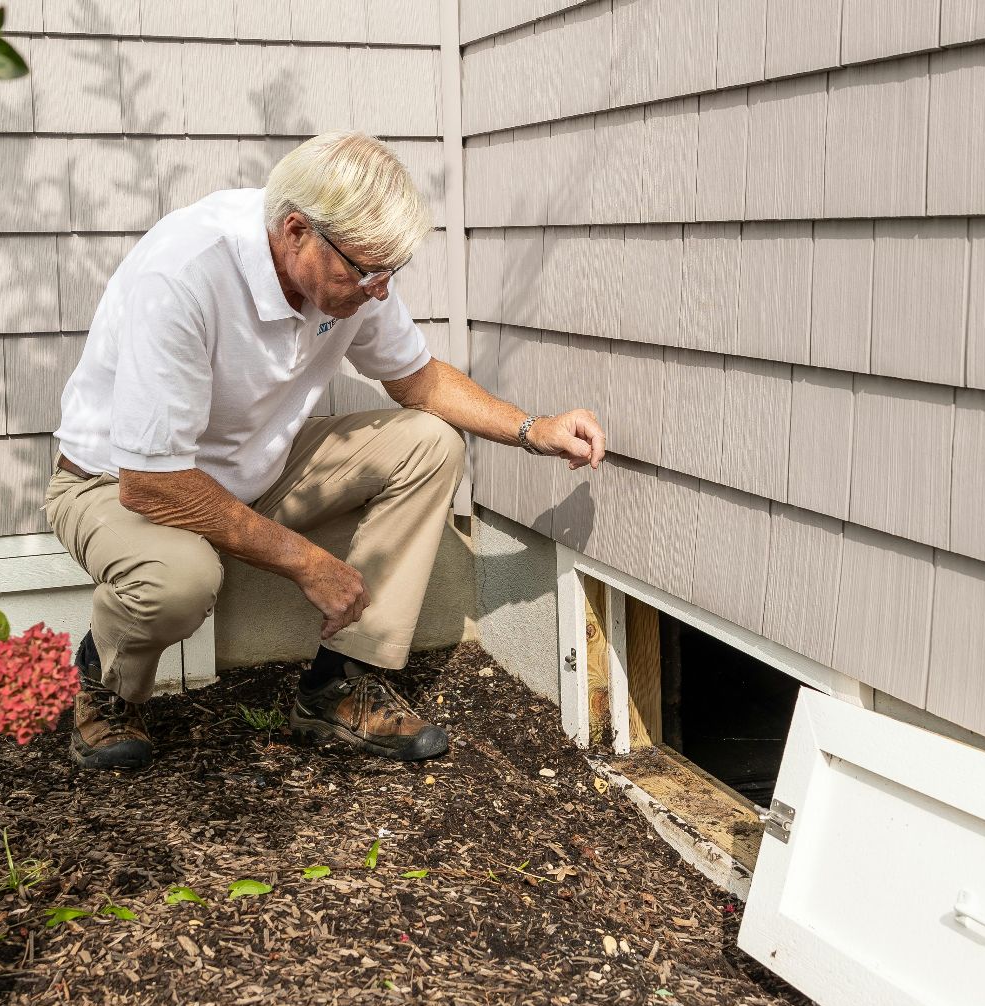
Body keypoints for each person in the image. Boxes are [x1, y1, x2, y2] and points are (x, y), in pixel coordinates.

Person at [47, 131, 608, 771]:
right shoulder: (184, 275)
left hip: (254, 469)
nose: (378, 290)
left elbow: (416, 380)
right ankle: (105, 681)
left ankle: (341, 684)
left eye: (389, 273)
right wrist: (309, 563)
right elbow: (152, 483)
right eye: (365, 272)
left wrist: (533, 429)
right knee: (180, 581)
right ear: (295, 232)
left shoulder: (348, 273)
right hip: (115, 482)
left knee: (428, 442)